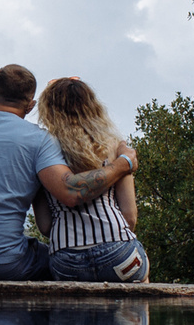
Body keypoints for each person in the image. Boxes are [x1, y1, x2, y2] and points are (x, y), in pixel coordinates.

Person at [0, 63, 135, 281]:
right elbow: (71, 192)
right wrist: (122, 164)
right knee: (55, 258)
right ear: (31, 106)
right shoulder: (39, 140)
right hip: (6, 264)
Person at [34, 77, 149, 284]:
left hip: (66, 260)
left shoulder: (42, 153)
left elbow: (45, 225)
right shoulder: (116, 148)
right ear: (92, 106)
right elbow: (130, 217)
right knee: (140, 282)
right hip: (119, 253)